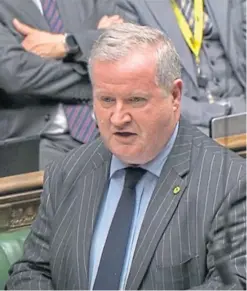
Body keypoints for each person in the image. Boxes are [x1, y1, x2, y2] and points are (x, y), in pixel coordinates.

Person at [6, 23, 246, 290]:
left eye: (135, 100)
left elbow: (233, 284)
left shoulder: (230, 182)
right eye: (107, 100)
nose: (118, 118)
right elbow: (30, 272)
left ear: (175, 96)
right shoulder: (67, 172)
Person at [0, 0, 123, 169]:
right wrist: (96, 68)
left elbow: (127, 46)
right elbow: (15, 73)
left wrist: (67, 43)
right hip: (39, 142)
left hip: (114, 130)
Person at [116, 0, 246, 135]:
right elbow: (145, 85)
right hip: (188, 119)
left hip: (240, 106)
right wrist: (208, 113)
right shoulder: (132, 4)